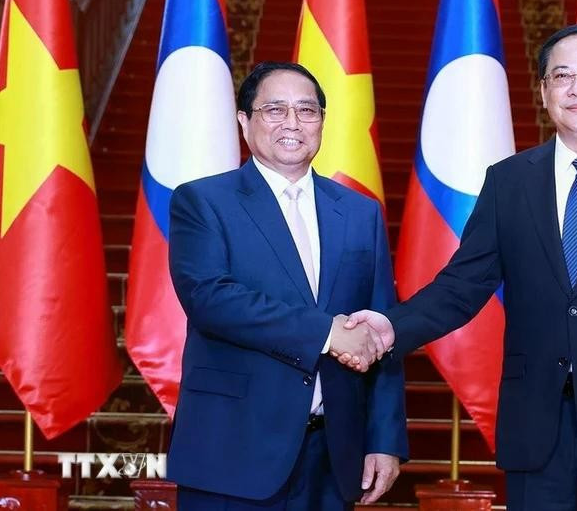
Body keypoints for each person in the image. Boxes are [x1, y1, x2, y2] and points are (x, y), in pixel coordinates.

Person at [345, 24, 577, 510]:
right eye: (561, 76)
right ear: (544, 91)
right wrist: (389, 326)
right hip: (535, 432)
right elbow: (462, 286)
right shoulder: (509, 182)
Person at [166, 61, 408, 510]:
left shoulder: (360, 213)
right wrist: (328, 332)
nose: (293, 123)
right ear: (244, 121)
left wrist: (385, 438)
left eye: (307, 110)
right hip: (233, 450)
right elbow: (210, 299)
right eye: (275, 109)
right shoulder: (202, 201)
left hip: (333, 455)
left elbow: (380, 329)